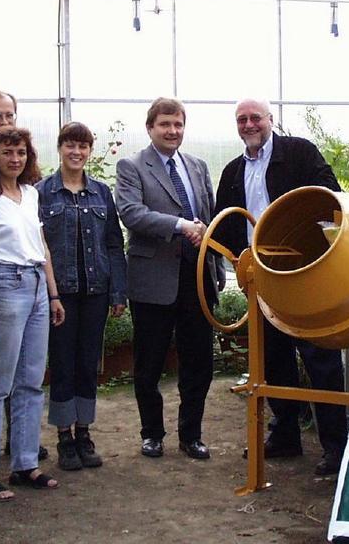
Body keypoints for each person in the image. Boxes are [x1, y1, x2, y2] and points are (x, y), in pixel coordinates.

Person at [213, 97, 348, 476]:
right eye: (242, 119)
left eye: (255, 117)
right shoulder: (233, 171)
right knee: (274, 359)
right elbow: (224, 222)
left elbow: (329, 196)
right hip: (263, 279)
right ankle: (285, 434)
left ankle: (335, 447)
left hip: (307, 273)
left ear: (271, 119)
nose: (249, 124)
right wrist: (234, 256)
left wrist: (306, 240)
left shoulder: (299, 153)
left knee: (321, 359)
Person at [115, 97, 223, 460]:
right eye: (164, 124)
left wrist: (216, 269)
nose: (172, 131)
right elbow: (132, 214)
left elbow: (208, 219)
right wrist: (179, 225)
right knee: (149, 364)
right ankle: (152, 434)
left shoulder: (197, 165)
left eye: (177, 124)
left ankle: (191, 435)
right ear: (150, 128)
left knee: (199, 362)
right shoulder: (132, 167)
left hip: (197, 279)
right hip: (153, 280)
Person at [0, 126, 64, 501]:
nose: (15, 158)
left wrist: (53, 295)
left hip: (37, 285)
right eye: (7, 152)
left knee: (31, 380)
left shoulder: (30, 194)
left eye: (21, 152)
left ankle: (26, 464)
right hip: (4, 285)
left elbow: (42, 248)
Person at [36, 122, 128, 471]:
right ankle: (64, 437)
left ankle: (84, 433)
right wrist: (48, 293)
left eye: (83, 146)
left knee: (89, 364)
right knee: (62, 363)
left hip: (96, 292)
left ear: (90, 151)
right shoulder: (42, 192)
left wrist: (118, 290)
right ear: (60, 148)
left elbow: (114, 245)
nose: (76, 152)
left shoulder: (102, 193)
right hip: (61, 294)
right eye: (70, 146)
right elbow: (37, 246)